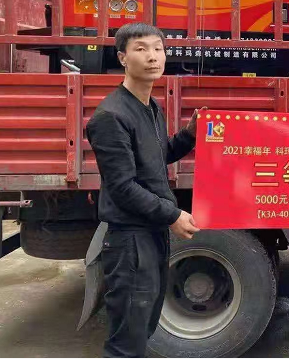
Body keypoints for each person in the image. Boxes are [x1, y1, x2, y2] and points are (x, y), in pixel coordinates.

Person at [87, 23, 204, 357]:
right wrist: (173, 215)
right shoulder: (111, 116)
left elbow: (155, 158)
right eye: (141, 49)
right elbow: (123, 187)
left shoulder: (150, 106)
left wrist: (189, 135)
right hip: (130, 240)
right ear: (123, 58)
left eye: (158, 48)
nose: (152, 57)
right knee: (127, 340)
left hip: (151, 234)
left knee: (145, 325)